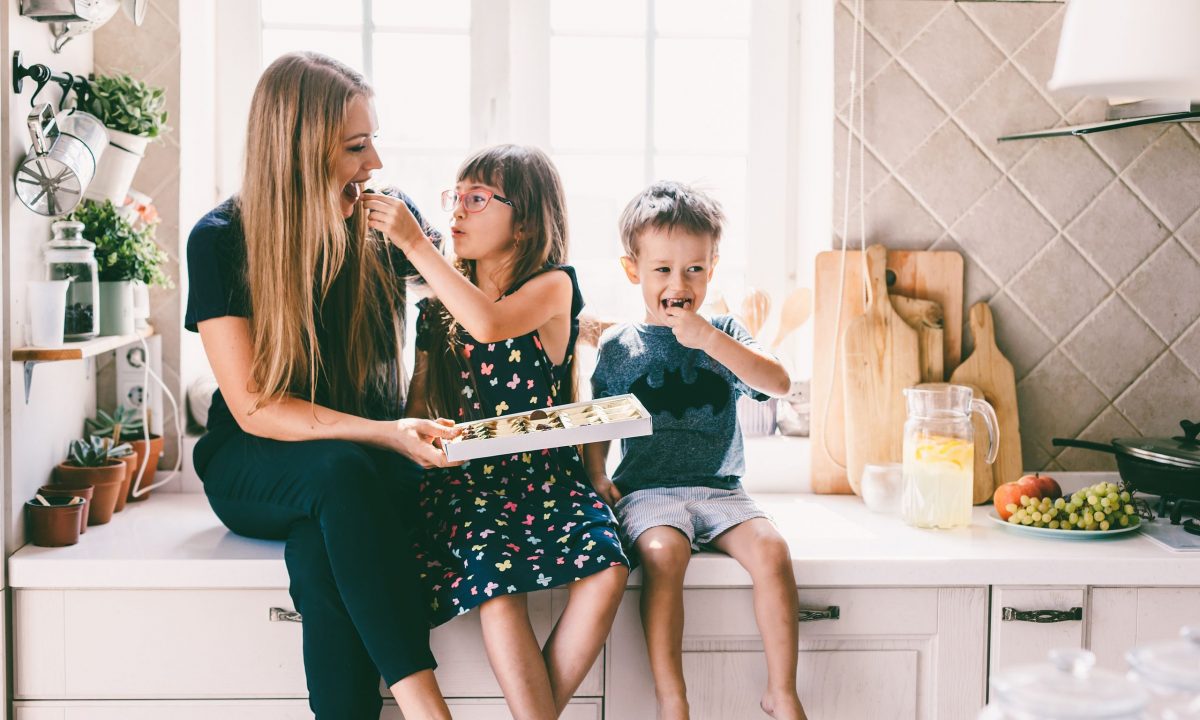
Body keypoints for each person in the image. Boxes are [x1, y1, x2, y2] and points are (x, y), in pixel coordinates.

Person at [184, 52, 459, 720]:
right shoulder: (221, 241)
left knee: (320, 549)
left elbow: (464, 313)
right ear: (300, 151)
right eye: (356, 147)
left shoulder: (385, 222)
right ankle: (426, 707)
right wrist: (383, 433)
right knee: (338, 472)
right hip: (254, 462)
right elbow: (252, 408)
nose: (377, 163)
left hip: (358, 471)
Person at [362, 144, 630, 720]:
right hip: (469, 486)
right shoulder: (437, 307)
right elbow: (419, 400)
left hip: (546, 481)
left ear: (526, 219)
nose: (457, 212)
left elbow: (488, 323)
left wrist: (415, 242)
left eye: (477, 199)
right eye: (454, 198)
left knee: (609, 571)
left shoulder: (554, 286)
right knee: (498, 587)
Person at [583, 181, 808, 720]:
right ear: (633, 269)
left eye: (694, 270)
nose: (678, 283)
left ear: (712, 268)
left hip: (722, 489)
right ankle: (672, 700)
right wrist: (596, 474)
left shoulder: (724, 332)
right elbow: (597, 420)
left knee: (773, 551)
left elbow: (777, 382)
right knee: (663, 556)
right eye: (662, 269)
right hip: (649, 492)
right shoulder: (620, 346)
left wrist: (710, 340)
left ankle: (782, 691)